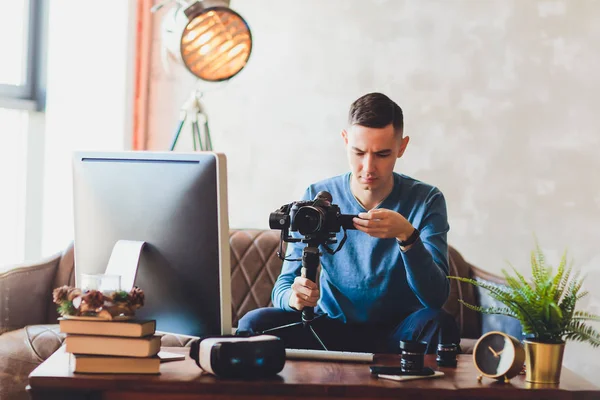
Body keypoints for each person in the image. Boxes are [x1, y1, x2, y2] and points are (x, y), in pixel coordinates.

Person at [237, 92, 459, 354]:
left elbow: (435, 298)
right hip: (329, 327)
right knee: (253, 323)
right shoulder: (316, 195)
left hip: (399, 334)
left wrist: (407, 236)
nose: (368, 167)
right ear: (345, 141)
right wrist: (293, 297)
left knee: (439, 324)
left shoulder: (426, 200)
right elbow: (282, 287)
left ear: (402, 146)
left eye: (382, 154)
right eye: (358, 152)